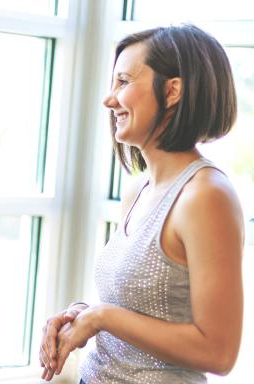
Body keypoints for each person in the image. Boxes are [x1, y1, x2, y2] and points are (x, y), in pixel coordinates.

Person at [40, 24, 244, 383]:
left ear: (173, 90)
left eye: (123, 82)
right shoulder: (139, 190)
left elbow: (219, 352)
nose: (109, 99)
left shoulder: (207, 196)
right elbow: (140, 312)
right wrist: (81, 314)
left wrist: (103, 318)